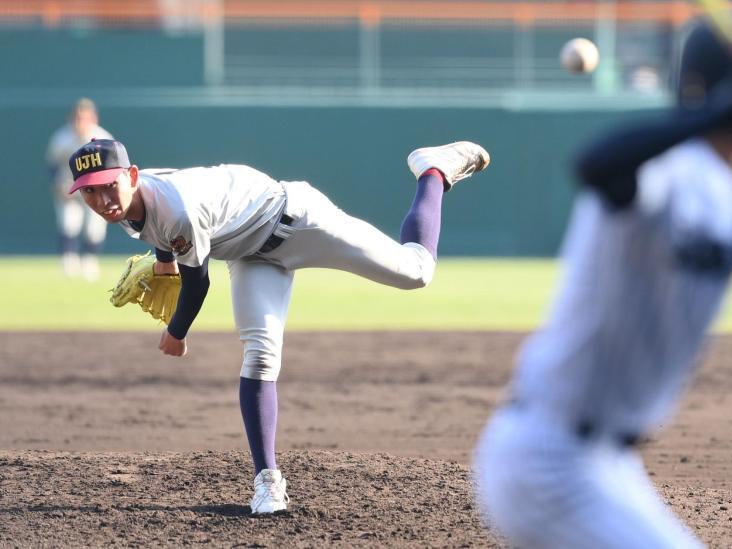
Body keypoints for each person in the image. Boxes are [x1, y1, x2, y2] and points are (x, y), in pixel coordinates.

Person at [473, 12, 732, 549]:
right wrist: (713, 114)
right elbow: (596, 165)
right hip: (549, 455)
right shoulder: (667, 171)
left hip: (609, 462)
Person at [66, 138, 490, 514]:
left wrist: (176, 333)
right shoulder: (130, 203)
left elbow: (197, 283)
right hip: (249, 252)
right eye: (90, 192)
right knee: (261, 354)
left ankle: (433, 170)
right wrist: (163, 259)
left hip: (299, 220)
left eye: (109, 185)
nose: (103, 199)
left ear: (132, 175)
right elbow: (161, 229)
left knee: (415, 271)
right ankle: (267, 481)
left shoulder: (174, 207)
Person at [46, 98, 114, 280]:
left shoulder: (103, 138)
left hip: (96, 188)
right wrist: (57, 185)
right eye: (77, 118)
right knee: (69, 223)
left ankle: (89, 261)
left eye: (84, 118)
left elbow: (113, 168)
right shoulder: (62, 138)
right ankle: (68, 262)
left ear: (93, 118)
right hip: (70, 187)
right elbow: (52, 165)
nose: (80, 122)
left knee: (94, 228)